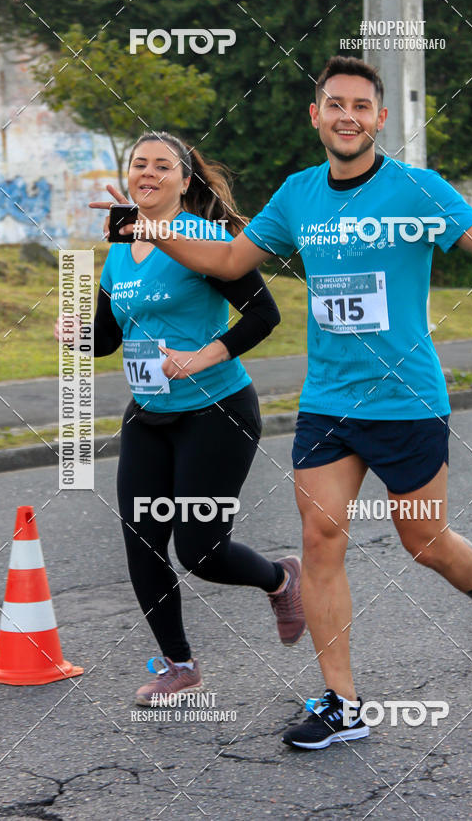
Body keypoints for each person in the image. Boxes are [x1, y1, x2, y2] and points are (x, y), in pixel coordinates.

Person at [106, 57, 472, 747]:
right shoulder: (298, 196)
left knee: (423, 541)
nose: (347, 116)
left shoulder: (416, 189)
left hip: (406, 399)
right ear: (317, 116)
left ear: (379, 119)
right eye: (334, 104)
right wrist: (152, 228)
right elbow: (226, 264)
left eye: (360, 107)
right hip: (328, 401)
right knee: (320, 541)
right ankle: (343, 703)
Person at [58, 132, 306, 706]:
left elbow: (262, 314)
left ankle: (280, 578)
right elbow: (109, 336)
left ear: (184, 179)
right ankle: (180, 666)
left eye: (161, 166)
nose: (147, 173)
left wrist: (201, 356)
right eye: (138, 164)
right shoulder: (121, 245)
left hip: (217, 411)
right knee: (142, 545)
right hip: (149, 414)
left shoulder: (207, 237)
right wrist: (76, 335)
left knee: (200, 550)